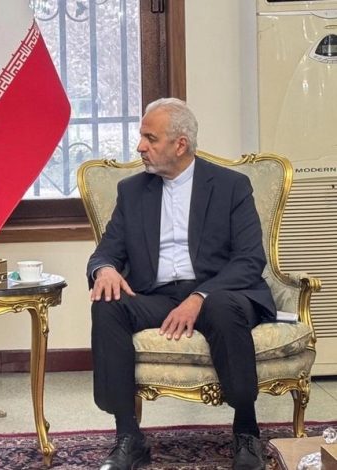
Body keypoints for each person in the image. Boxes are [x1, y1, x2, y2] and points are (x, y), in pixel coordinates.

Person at [87, 98, 275, 470]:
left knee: (221, 306)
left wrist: (200, 295)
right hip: (158, 295)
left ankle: (246, 431)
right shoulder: (132, 191)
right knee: (107, 304)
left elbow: (250, 259)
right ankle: (128, 437)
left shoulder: (231, 186)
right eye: (142, 137)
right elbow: (106, 250)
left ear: (180, 144)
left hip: (220, 292)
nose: (140, 146)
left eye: (150, 138)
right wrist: (104, 269)